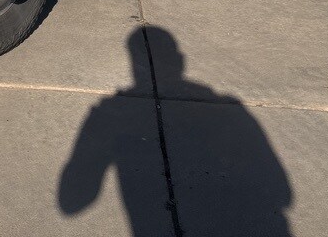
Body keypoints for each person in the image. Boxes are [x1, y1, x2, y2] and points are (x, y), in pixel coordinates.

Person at [59, 26, 293, 236]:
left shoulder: (109, 113)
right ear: (180, 60)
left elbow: (71, 202)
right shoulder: (230, 109)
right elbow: (283, 193)